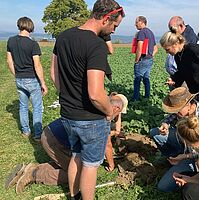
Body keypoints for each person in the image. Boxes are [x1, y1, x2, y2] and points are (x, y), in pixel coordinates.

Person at [50, 0, 125, 199]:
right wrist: (109, 112)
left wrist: (69, 95)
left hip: (67, 114)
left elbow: (53, 75)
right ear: (106, 18)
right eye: (114, 25)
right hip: (90, 119)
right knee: (91, 165)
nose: (114, 30)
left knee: (76, 155)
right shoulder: (96, 45)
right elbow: (95, 93)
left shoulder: (63, 37)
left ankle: (75, 196)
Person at [5, 94, 127, 195]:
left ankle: (28, 168)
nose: (116, 118)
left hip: (51, 132)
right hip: (55, 142)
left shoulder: (94, 106)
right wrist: (111, 165)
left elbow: (114, 116)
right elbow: (107, 145)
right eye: (119, 113)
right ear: (116, 108)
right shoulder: (101, 121)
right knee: (78, 174)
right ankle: (34, 174)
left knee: (72, 164)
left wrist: (116, 118)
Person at [150, 87, 199, 192]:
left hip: (196, 158)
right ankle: (172, 159)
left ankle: (190, 172)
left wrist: (185, 157)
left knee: (163, 187)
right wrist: (165, 124)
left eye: (177, 110)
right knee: (155, 132)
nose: (176, 113)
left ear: (188, 104)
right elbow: (170, 117)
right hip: (185, 146)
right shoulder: (182, 111)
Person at [6, 16, 48, 141]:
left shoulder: (11, 41)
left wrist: (16, 74)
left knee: (23, 106)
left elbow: (9, 61)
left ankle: (25, 131)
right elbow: (37, 65)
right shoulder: (33, 44)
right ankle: (37, 135)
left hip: (19, 78)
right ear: (31, 27)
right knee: (37, 107)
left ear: (19, 25)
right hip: (32, 79)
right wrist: (43, 83)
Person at [165, 16, 199, 90]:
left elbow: (186, 64)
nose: (171, 31)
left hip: (184, 79)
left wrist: (177, 78)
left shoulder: (189, 39)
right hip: (178, 76)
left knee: (184, 100)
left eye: (172, 28)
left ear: (181, 26)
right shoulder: (180, 36)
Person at [132, 16, 158, 100]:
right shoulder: (150, 32)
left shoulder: (142, 32)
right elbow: (156, 48)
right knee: (146, 79)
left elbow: (139, 47)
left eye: (136, 22)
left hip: (143, 59)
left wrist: (137, 60)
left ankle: (135, 99)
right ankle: (147, 97)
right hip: (149, 60)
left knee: (137, 79)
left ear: (141, 22)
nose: (135, 24)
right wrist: (151, 56)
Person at [105, 92, 128, 172]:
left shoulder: (112, 103)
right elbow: (107, 143)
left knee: (113, 127)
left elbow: (118, 118)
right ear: (116, 108)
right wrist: (111, 165)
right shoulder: (104, 117)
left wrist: (117, 132)